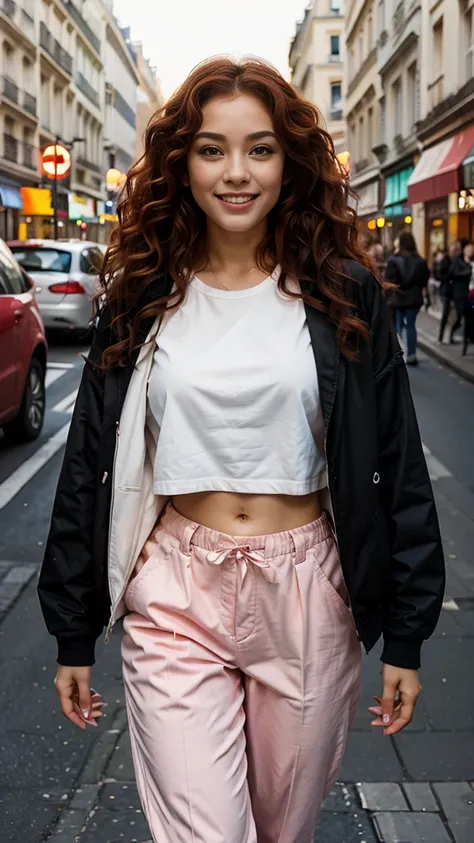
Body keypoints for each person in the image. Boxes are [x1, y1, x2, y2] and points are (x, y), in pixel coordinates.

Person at [37, 56, 445, 843]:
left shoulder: (341, 288)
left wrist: (408, 632)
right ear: (181, 163)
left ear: (289, 163)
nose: (236, 172)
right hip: (176, 591)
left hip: (309, 592)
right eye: (211, 149)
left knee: (279, 829)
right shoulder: (142, 292)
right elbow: (88, 461)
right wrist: (71, 628)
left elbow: (398, 462)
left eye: (259, 149)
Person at [385, 231, 429, 365]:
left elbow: (389, 281)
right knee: (411, 325)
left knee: (397, 325)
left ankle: (398, 353)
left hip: (398, 297)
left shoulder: (394, 260)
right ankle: (412, 354)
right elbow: (424, 281)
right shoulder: (420, 261)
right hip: (414, 298)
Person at [437, 239, 468, 343]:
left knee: (457, 316)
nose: (456, 250)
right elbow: (440, 275)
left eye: (457, 249)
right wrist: (449, 277)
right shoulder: (445, 260)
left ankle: (450, 336)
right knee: (446, 314)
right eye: (454, 248)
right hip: (447, 291)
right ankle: (441, 337)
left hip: (456, 291)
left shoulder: (459, 260)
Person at [446, 240, 474, 344]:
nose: (471, 251)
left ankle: (470, 337)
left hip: (471, 294)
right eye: (469, 249)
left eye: (472, 250)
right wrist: (467, 272)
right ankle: (451, 334)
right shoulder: (458, 261)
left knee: (470, 315)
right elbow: (452, 274)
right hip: (460, 293)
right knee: (459, 316)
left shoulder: (472, 262)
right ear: (464, 250)